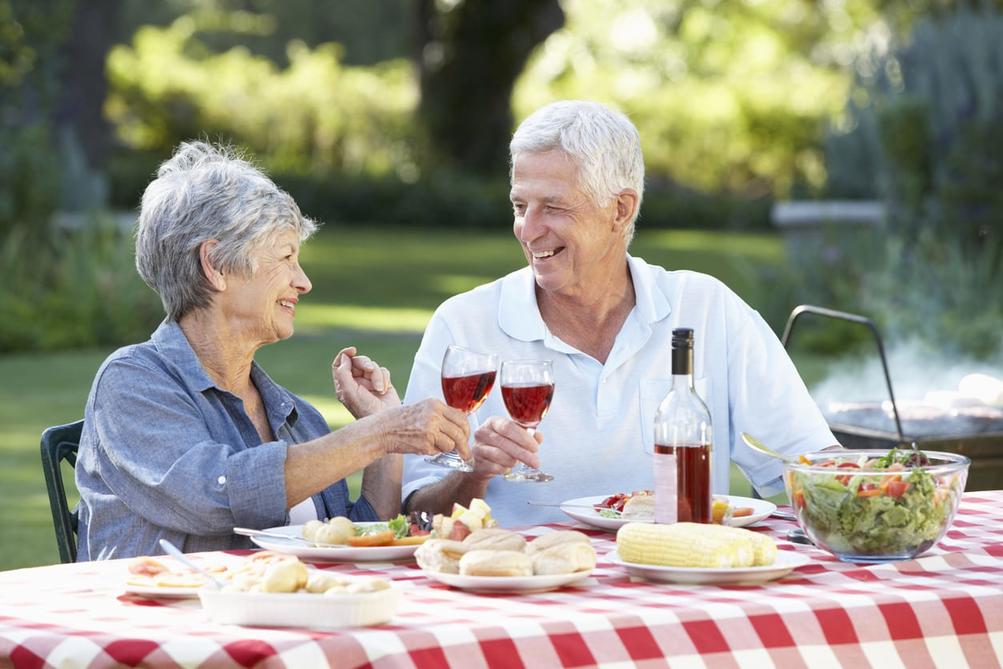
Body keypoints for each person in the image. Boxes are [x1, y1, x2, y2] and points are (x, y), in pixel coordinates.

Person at [398, 100, 837, 526]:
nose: (527, 230)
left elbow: (813, 463)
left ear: (620, 209)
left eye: (552, 207)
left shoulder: (707, 309)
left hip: (679, 585)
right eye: (519, 206)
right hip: (525, 589)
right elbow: (416, 514)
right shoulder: (463, 325)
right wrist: (474, 471)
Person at [74, 142, 470, 560]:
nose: (304, 282)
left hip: (288, 618)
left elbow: (350, 538)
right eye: (286, 257)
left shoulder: (294, 416)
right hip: (171, 620)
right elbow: (217, 496)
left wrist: (385, 431)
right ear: (216, 265)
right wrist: (380, 433)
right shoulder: (131, 384)